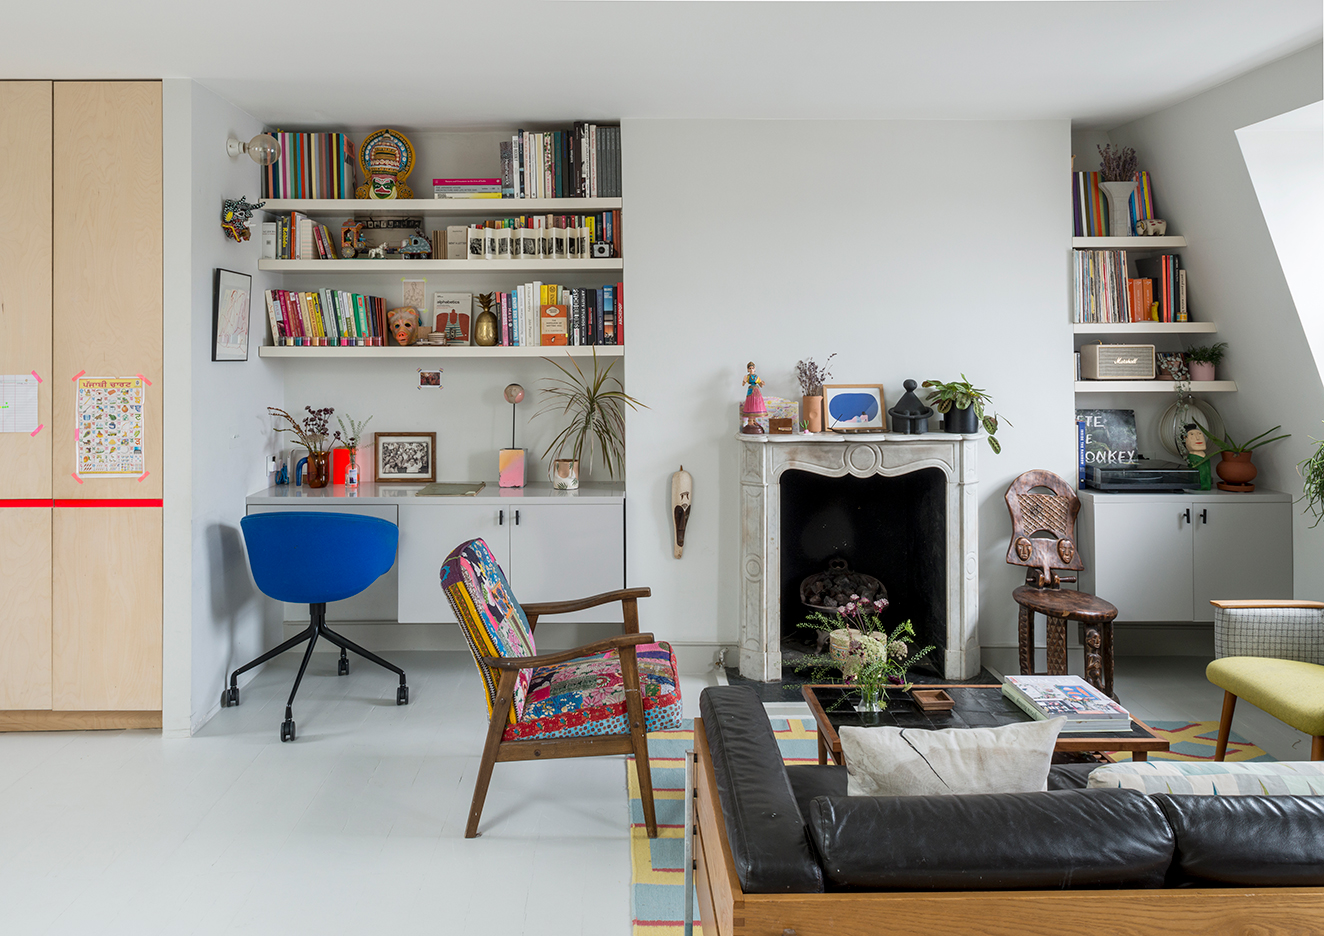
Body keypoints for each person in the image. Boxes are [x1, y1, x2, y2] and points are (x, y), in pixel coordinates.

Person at [741, 362, 767, 434]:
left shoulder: (756, 377)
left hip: (756, 391)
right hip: (751, 391)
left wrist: (762, 383)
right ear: (748, 369)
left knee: (756, 405)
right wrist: (744, 381)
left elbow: (760, 384)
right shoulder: (747, 377)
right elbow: (743, 384)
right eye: (750, 368)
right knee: (750, 405)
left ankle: (754, 420)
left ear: (754, 369)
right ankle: (750, 421)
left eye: (752, 368)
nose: (751, 369)